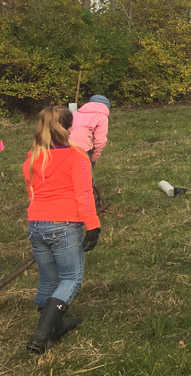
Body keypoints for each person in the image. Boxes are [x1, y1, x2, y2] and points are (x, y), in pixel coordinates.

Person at [23, 106, 100, 354]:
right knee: (70, 277)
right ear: (69, 129)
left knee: (48, 277)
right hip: (64, 225)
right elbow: (84, 194)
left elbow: (31, 190)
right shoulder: (77, 156)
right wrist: (93, 225)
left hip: (36, 224)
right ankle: (42, 335)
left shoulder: (33, 156)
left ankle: (52, 326)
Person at [70, 94, 110, 211]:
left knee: (71, 174)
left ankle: (70, 200)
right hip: (82, 149)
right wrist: (94, 157)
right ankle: (87, 204)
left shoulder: (76, 113)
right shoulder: (102, 117)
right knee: (85, 176)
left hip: (65, 146)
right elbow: (100, 141)